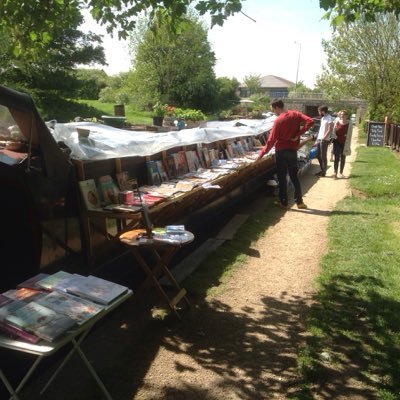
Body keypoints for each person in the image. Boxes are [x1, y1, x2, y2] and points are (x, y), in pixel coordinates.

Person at [257, 98, 314, 209]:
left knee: (282, 177)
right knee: (294, 177)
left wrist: (261, 154)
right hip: (292, 151)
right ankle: (300, 202)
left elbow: (271, 140)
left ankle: (284, 202)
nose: (274, 113)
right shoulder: (296, 114)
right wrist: (298, 134)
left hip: (281, 152)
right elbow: (310, 121)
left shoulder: (278, 120)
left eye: (273, 110)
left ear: (277, 107)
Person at [331, 110, 353, 179]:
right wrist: (335, 136)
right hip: (336, 142)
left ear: (346, 116)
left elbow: (350, 134)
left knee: (343, 157)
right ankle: (335, 172)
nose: (342, 116)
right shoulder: (337, 121)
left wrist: (347, 140)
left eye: (343, 115)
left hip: (344, 143)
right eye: (341, 115)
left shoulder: (350, 123)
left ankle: (341, 172)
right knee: (336, 158)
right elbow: (333, 131)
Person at [315, 105, 334, 176]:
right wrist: (317, 139)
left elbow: (330, 129)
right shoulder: (323, 118)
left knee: (323, 156)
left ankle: (323, 172)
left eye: (319, 111)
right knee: (317, 155)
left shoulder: (329, 118)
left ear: (322, 111)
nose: (319, 112)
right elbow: (321, 129)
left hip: (324, 140)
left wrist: (324, 137)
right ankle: (322, 169)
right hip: (319, 139)